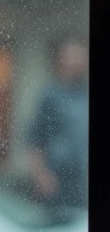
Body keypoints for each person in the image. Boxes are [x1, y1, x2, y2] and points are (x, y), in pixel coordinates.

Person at [26, 37, 89, 209]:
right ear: (61, 60)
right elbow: (34, 139)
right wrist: (41, 175)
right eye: (73, 55)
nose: (78, 61)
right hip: (57, 183)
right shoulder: (51, 96)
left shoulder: (85, 94)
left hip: (82, 182)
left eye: (81, 55)